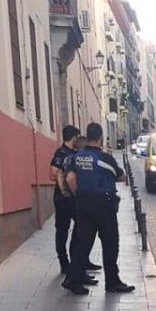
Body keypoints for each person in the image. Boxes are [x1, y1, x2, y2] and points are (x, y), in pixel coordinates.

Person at [63, 122, 136, 295]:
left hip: (83, 205)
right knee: (110, 243)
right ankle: (112, 281)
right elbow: (121, 177)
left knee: (83, 244)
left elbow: (70, 179)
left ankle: (73, 279)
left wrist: (78, 195)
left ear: (87, 137)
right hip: (104, 206)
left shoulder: (77, 157)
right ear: (101, 137)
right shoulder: (105, 158)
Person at [50, 126, 100, 277]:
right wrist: (66, 187)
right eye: (77, 137)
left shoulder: (76, 153)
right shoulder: (61, 153)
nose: (79, 140)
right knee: (62, 231)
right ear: (73, 138)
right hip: (63, 199)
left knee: (81, 229)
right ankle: (65, 264)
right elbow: (53, 173)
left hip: (75, 199)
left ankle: (80, 261)